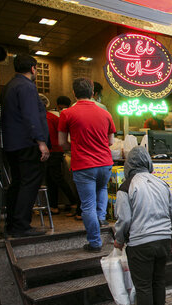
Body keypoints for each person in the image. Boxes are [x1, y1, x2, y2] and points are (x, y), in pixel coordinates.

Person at [114, 147, 172, 305]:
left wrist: (119, 240)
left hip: (141, 243)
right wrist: (171, 238)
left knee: (143, 286)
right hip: (163, 241)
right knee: (158, 282)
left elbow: (124, 220)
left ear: (129, 165)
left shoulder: (126, 187)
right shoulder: (162, 183)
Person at [58, 78, 115, 252]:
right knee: (102, 190)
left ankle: (95, 242)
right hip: (105, 163)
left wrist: (75, 147)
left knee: (87, 204)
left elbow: (62, 142)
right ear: (92, 92)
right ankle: (100, 218)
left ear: (74, 93)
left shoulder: (67, 113)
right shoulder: (105, 113)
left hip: (83, 164)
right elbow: (111, 141)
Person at [1, 54, 50, 237]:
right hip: (27, 143)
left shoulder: (9, 86)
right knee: (30, 183)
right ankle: (22, 225)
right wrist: (41, 142)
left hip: (12, 144)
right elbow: (31, 116)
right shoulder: (27, 87)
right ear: (32, 69)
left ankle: (12, 225)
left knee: (18, 183)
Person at [43, 95, 78, 216]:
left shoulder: (48, 117)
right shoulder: (53, 116)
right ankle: (53, 206)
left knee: (57, 178)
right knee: (51, 179)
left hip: (53, 151)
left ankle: (74, 202)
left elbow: (49, 137)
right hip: (55, 151)